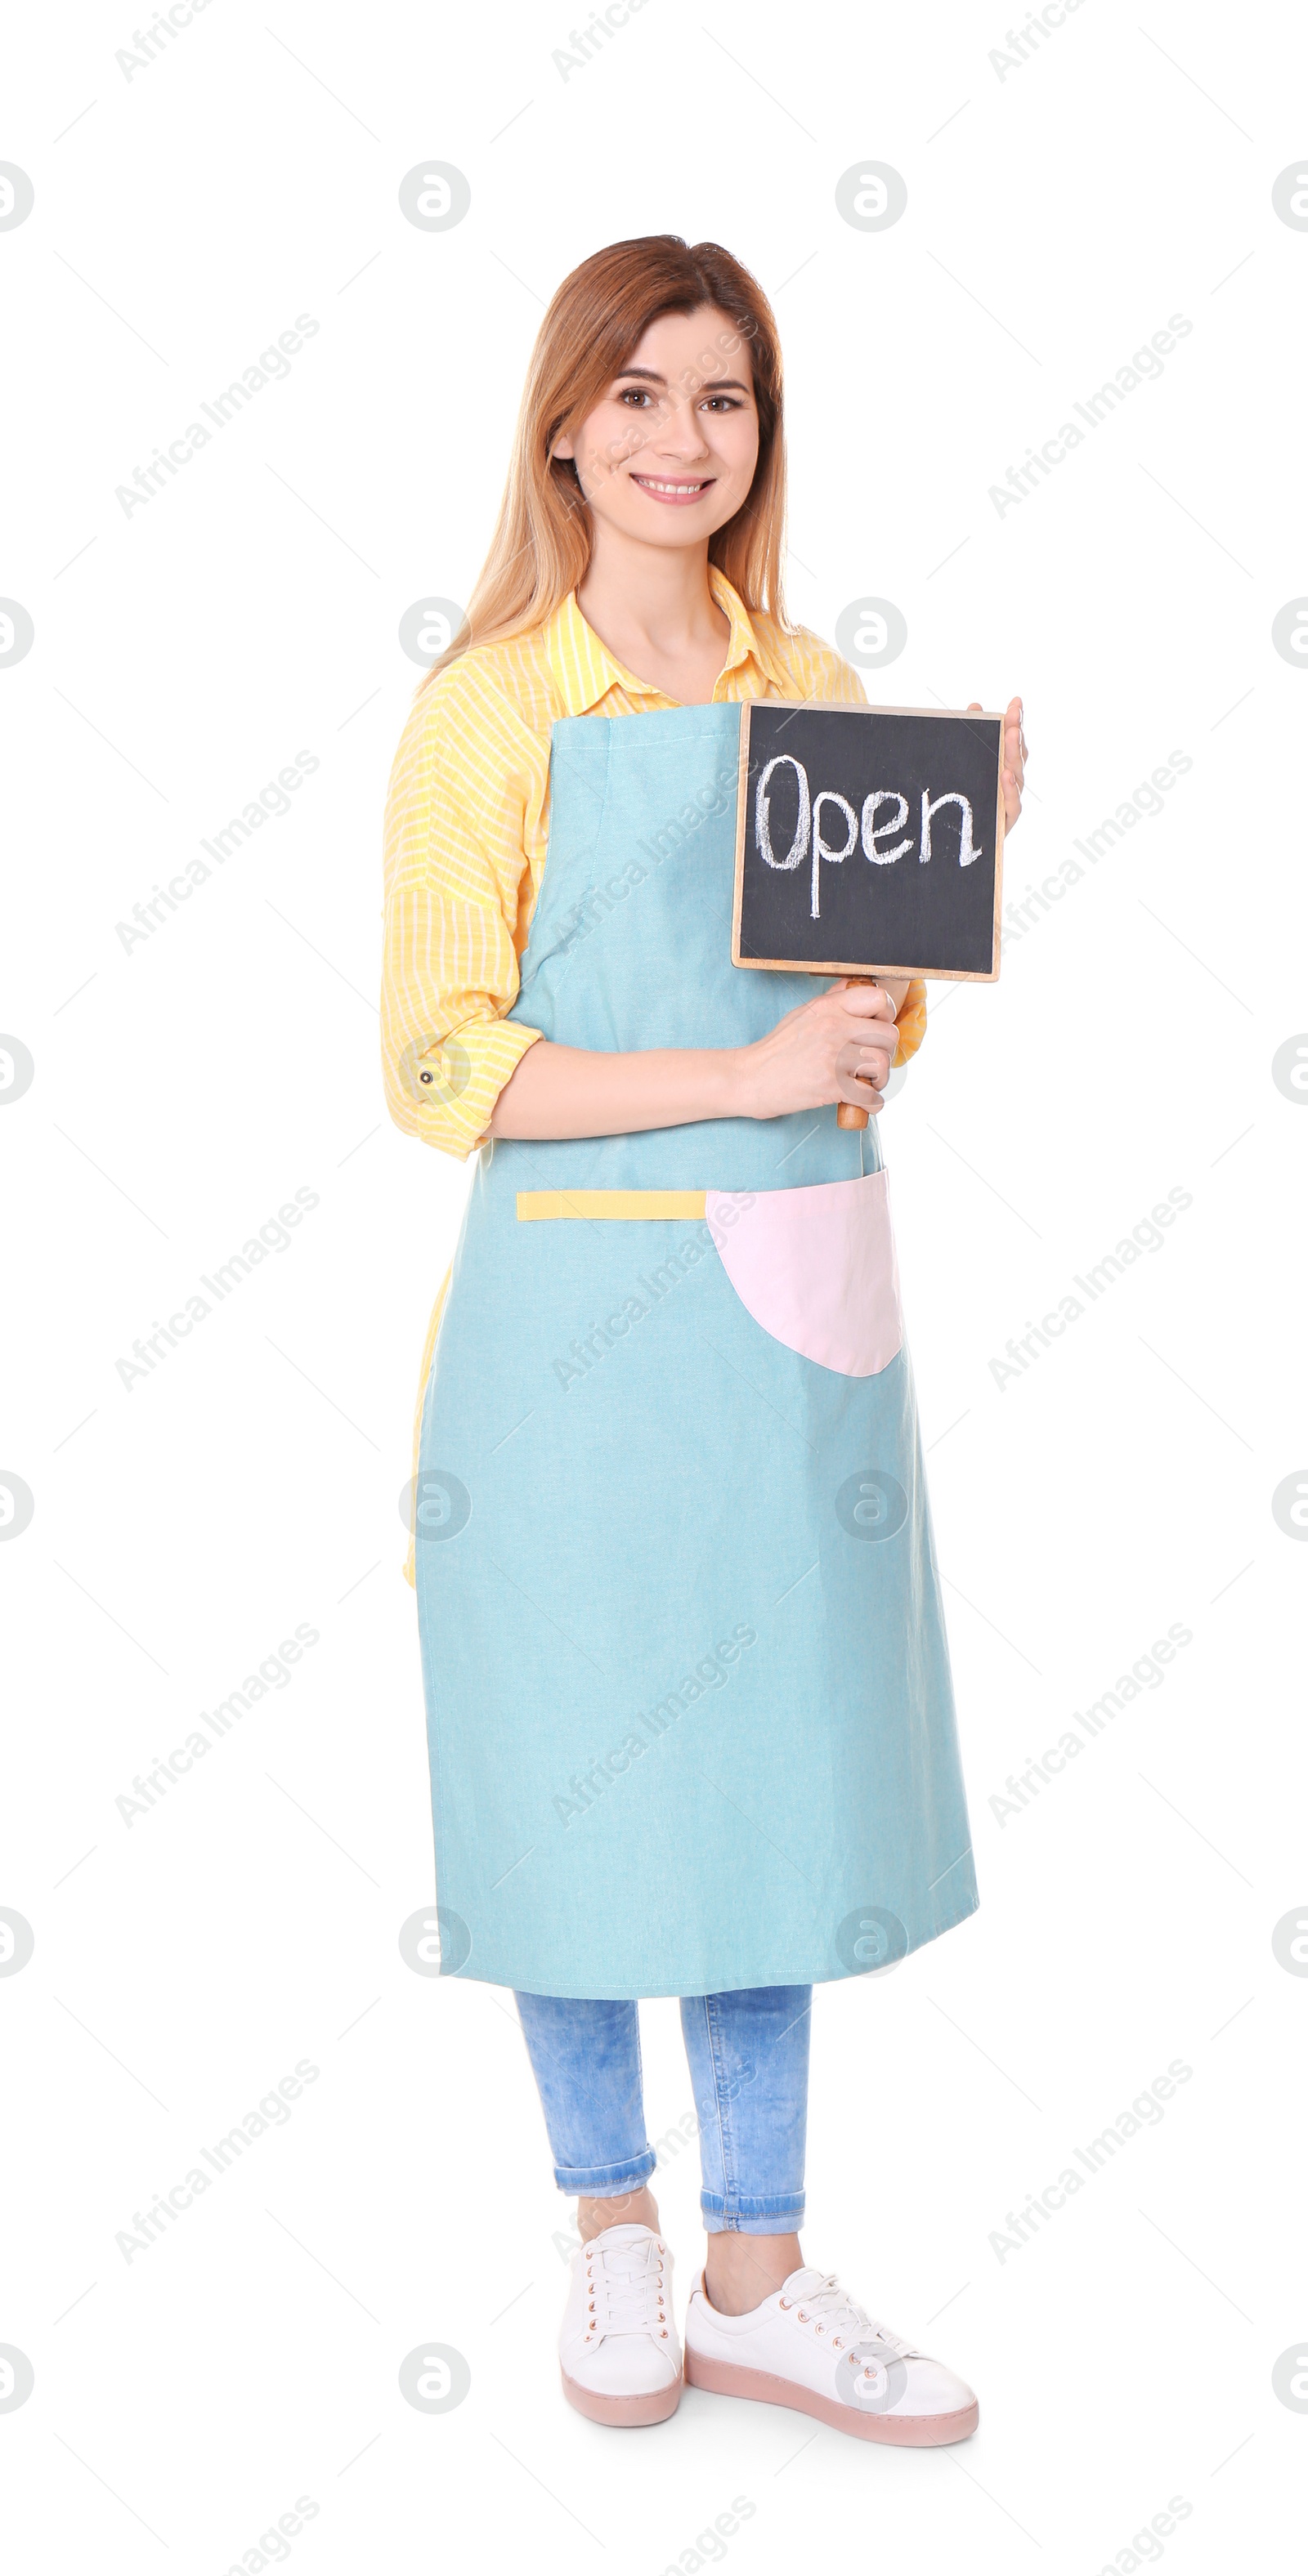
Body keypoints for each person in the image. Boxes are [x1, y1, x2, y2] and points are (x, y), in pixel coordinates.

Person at [382, 235, 1026, 2445]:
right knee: (577, 1765)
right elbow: (443, 1069)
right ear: (564, 421)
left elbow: (855, 1053)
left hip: (789, 1317)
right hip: (572, 1324)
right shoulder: (494, 705)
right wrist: (746, 1082)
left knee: (763, 1779)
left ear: (764, 434)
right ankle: (614, 2231)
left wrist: (930, 911)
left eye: (724, 399)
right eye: (640, 393)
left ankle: (760, 2259)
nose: (682, 439)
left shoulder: (815, 675)